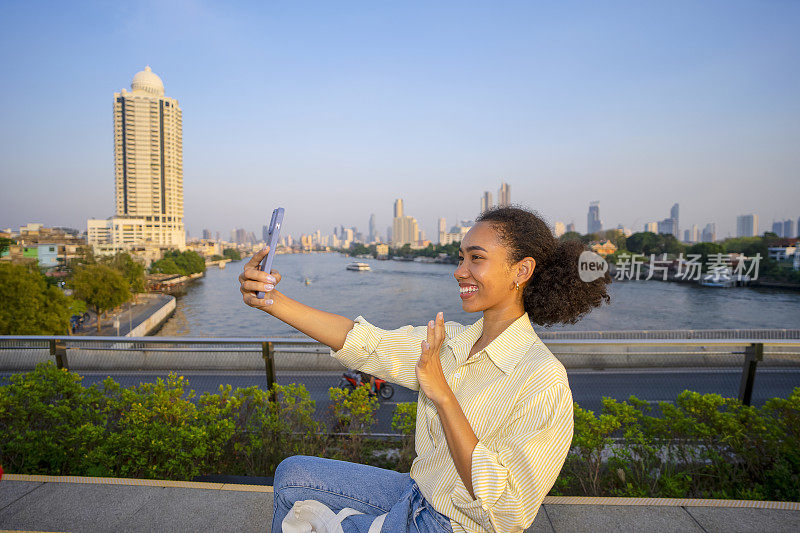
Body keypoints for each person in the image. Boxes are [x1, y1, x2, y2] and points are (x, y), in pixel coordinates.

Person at [239, 206, 611, 533]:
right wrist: (271, 300)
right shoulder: (451, 341)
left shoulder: (542, 379)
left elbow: (506, 512)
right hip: (419, 491)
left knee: (313, 523)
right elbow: (368, 343)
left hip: (452, 525)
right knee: (292, 475)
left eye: (475, 259)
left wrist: (443, 395)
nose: (459, 271)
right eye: (461, 257)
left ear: (522, 270)